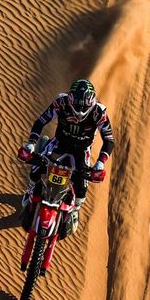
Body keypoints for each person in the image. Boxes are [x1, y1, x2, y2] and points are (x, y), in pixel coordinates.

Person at [18, 78, 114, 231]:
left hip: (81, 151)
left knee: (82, 187)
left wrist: (100, 162)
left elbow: (109, 140)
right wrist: (31, 143)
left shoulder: (98, 112)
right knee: (37, 167)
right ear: (70, 99)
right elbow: (41, 121)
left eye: (84, 105)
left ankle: (75, 209)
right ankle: (30, 189)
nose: (80, 109)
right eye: (77, 104)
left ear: (91, 103)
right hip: (59, 143)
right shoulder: (61, 103)